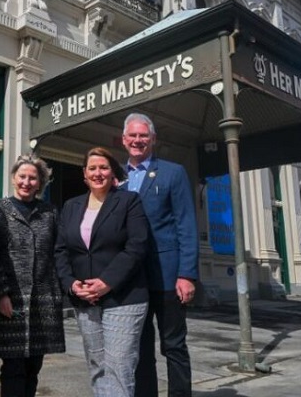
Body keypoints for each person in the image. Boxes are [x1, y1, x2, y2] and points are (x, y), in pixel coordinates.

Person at [54, 147, 150, 397]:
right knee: (97, 367)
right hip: (85, 299)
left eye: (104, 168)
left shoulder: (129, 201)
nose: (98, 173)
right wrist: (71, 284)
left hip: (124, 298)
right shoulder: (71, 206)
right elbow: (61, 250)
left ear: (112, 172)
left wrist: (107, 281)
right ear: (84, 174)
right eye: (92, 168)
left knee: (119, 368)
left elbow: (137, 246)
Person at [121, 113, 199, 397]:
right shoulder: (116, 177)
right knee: (140, 348)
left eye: (144, 136)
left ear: (153, 139)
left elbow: (186, 225)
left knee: (174, 346)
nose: (138, 140)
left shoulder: (173, 172)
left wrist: (187, 274)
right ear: (124, 140)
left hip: (168, 277)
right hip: (131, 281)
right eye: (133, 136)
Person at [0, 154, 65, 397]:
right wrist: (0, 293)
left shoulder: (50, 212)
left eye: (33, 178)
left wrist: (59, 290)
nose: (27, 182)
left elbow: (58, 251)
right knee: (13, 367)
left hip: (43, 301)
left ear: (40, 182)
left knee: (34, 366)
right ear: (13, 178)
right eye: (22, 176)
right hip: (11, 299)